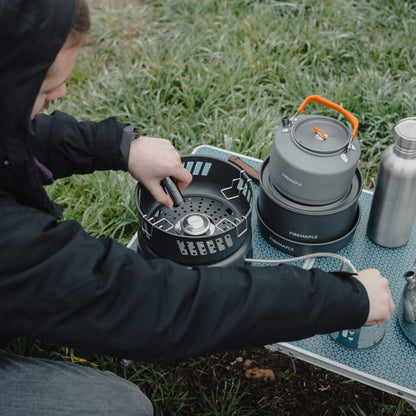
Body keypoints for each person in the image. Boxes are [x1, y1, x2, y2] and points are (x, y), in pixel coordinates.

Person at [0, 1, 394, 415]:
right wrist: (344, 300)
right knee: (119, 408)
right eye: (44, 91)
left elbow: (14, 137)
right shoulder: (12, 239)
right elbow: (156, 306)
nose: (61, 94)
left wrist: (118, 147)